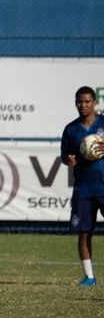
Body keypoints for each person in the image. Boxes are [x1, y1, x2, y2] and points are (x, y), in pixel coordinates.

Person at [60, 86, 104, 287]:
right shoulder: (71, 129)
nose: (83, 105)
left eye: (87, 102)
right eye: (79, 102)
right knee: (84, 231)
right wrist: (68, 160)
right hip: (84, 188)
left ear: (94, 102)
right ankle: (89, 277)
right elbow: (64, 155)